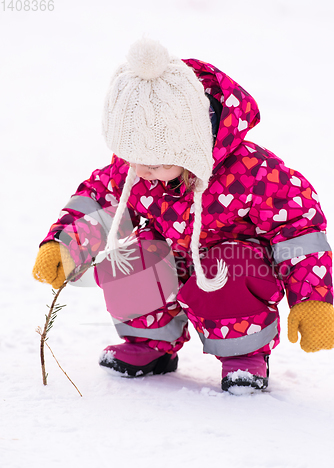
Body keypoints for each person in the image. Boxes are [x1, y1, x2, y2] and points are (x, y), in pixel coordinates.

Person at [32, 38, 334, 392]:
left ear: (190, 146)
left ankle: (244, 355)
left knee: (232, 262)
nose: (141, 170)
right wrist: (66, 245)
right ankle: (150, 344)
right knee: (131, 256)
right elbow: (100, 202)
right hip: (171, 256)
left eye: (154, 161)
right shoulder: (137, 169)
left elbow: (299, 230)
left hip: (228, 264)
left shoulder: (253, 173)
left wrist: (313, 298)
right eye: (131, 157)